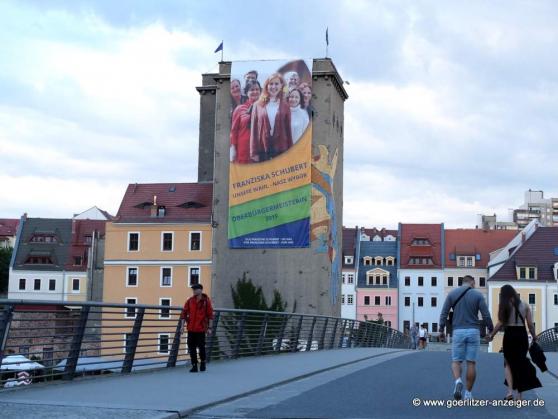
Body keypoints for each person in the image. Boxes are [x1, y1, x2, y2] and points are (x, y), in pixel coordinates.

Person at [439, 275, 493, 400]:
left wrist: (441, 329)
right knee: (471, 363)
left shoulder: (452, 294)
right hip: (474, 331)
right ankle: (468, 393)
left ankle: (458, 381)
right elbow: (486, 315)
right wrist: (490, 330)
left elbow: (444, 312)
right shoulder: (478, 295)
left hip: (458, 331)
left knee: (456, 361)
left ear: (462, 283)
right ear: (472, 283)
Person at [486, 284, 542, 400]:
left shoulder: (504, 306)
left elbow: (500, 323)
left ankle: (510, 392)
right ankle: (520, 395)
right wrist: (535, 336)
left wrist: (492, 335)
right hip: (521, 334)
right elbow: (530, 325)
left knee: (508, 363)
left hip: (510, 335)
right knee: (520, 363)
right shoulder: (525, 305)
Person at [250, 73, 292, 162]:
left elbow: (288, 131)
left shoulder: (285, 105)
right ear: (266, 86)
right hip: (263, 150)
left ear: (281, 86)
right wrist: (254, 153)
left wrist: (290, 152)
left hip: (281, 150)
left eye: (276, 84)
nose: (273, 87)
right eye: (271, 84)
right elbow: (254, 130)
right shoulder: (258, 105)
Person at [180, 283, 214, 373]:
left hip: (201, 329)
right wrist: (182, 327)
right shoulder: (190, 300)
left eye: (195, 289)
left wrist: (210, 328)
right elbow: (184, 313)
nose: (194, 291)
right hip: (191, 328)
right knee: (191, 347)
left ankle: (203, 362)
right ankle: (194, 365)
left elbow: (210, 315)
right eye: (193, 289)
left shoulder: (206, 301)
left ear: (201, 290)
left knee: (201, 347)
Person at [230, 80, 261, 164]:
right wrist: (233, 150)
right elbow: (234, 131)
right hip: (243, 153)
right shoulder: (239, 109)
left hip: (260, 154)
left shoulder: (265, 109)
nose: (255, 92)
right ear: (247, 92)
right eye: (252, 90)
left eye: (257, 89)